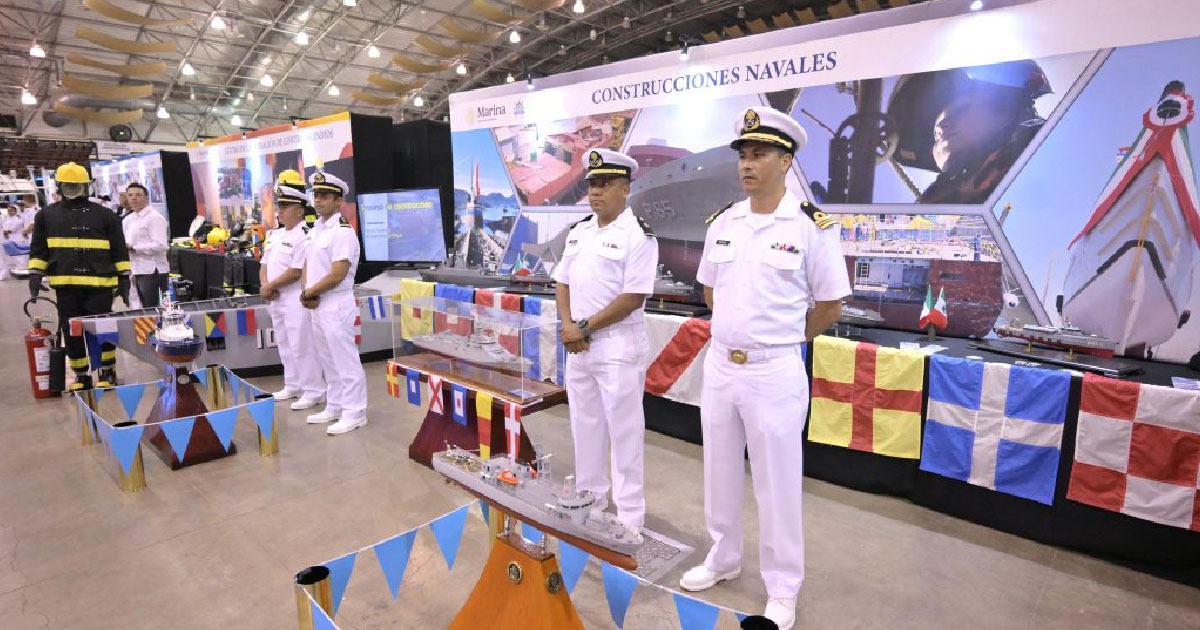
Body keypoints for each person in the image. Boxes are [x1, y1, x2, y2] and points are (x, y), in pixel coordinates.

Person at [678, 107, 850, 630]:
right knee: (719, 471)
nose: (747, 165)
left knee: (775, 483)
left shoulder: (810, 227)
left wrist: (781, 339)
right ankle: (724, 557)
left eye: (759, 155)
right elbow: (710, 289)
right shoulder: (723, 223)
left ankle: (782, 587)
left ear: (785, 160)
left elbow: (830, 304)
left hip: (774, 371)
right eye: (744, 156)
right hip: (721, 367)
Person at [552, 148, 658, 541]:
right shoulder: (580, 231)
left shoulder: (638, 236)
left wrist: (583, 327)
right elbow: (562, 281)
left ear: (626, 189)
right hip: (579, 345)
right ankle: (591, 498)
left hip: (616, 345)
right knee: (585, 424)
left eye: (605, 184)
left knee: (625, 430)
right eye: (592, 184)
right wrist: (568, 326)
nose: (595, 192)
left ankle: (630, 515)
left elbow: (634, 296)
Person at [888, 60, 1051, 204]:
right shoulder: (941, 203)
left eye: (960, 111)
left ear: (1005, 111)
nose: (941, 128)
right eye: (935, 137)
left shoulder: (1045, 149)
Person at [28, 162, 131, 390]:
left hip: (100, 284)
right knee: (71, 331)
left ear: (87, 186)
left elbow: (119, 249)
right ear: (59, 186)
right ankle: (81, 375)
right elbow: (39, 249)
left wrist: (124, 278)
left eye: (76, 185)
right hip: (66, 285)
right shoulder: (45, 216)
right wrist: (35, 275)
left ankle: (107, 371)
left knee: (103, 328)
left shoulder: (106, 215)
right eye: (68, 184)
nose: (72, 188)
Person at [300, 170, 367, 435]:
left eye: (325, 196)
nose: (318, 201)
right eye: (315, 195)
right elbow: (308, 263)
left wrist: (309, 292)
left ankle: (355, 412)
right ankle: (336, 405)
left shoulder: (343, 232)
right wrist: (307, 290)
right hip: (317, 302)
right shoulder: (316, 229)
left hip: (336, 303)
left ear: (338, 201)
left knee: (345, 360)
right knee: (327, 358)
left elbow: (338, 273)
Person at [261, 171, 325, 411]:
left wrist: (271, 286)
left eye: (286, 207)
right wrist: (265, 285)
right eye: (279, 207)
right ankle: (293, 384)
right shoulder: (275, 234)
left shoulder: (304, 235)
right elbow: (264, 263)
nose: (280, 211)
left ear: (299, 211)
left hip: (293, 297)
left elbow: (297, 270)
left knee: (302, 345)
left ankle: (314, 390)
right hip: (275, 297)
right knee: (285, 343)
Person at [122, 183, 170, 308]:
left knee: (154, 309)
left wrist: (134, 248)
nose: (133, 198)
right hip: (135, 269)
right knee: (140, 308)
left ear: (146, 198)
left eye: (138, 195)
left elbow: (161, 245)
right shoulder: (128, 219)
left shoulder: (154, 218)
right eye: (130, 195)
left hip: (153, 271)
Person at [1, 202, 31, 279]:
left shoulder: (19, 219)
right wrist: (5, 232)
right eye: (9, 210)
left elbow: (13, 228)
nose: (10, 212)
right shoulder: (5, 218)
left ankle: (22, 272)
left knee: (19, 256)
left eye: (12, 211)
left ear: (16, 211)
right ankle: (6, 272)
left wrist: (6, 232)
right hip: (8, 239)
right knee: (7, 256)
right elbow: (3, 227)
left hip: (17, 239)